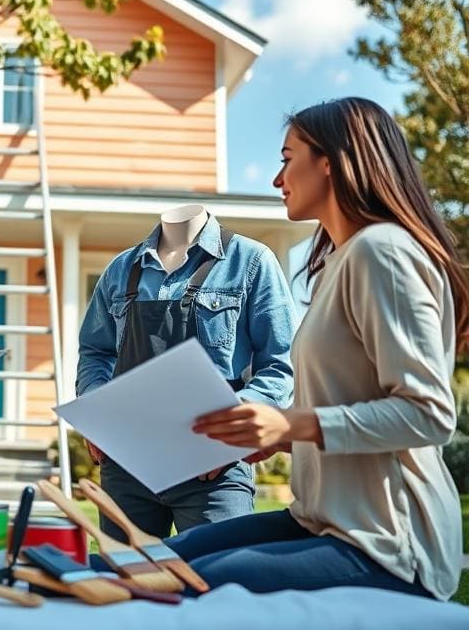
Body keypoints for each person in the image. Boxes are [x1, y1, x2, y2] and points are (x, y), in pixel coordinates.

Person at [175, 97, 468, 600]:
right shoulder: (338, 262)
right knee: (152, 562)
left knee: (180, 585)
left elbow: (429, 414)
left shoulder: (384, 253)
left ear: (330, 161)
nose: (277, 178)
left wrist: (294, 424)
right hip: (321, 522)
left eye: (288, 158)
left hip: (389, 546)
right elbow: (348, 401)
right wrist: (278, 437)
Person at [77, 202, 296, 538]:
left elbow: (281, 365)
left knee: (219, 580)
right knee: (127, 580)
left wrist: (230, 435)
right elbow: (95, 351)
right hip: (127, 464)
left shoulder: (251, 261)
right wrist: (97, 414)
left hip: (212, 466)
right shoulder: (120, 269)